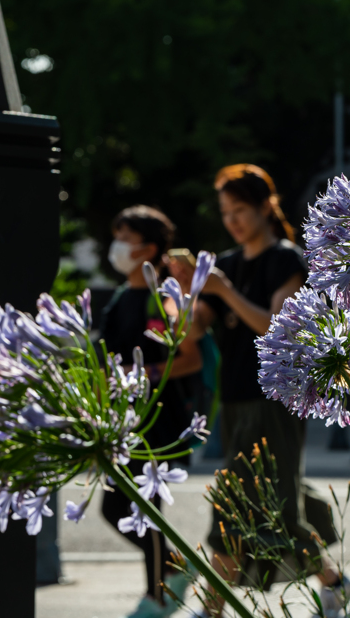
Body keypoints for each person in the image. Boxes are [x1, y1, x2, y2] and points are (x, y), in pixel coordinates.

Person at [168, 165, 350, 618]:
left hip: (276, 399)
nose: (232, 220)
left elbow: (275, 329)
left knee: (246, 500)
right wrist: (181, 293)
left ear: (265, 207)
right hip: (233, 400)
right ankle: (333, 579)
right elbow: (191, 334)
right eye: (226, 212)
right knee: (277, 499)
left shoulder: (286, 260)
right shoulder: (225, 264)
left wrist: (225, 291)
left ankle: (212, 606)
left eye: (241, 210)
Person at [98, 205, 200, 618]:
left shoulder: (162, 298)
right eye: (117, 236)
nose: (118, 246)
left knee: (146, 508)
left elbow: (188, 356)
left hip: (157, 419)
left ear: (150, 248)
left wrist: (144, 372)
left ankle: (157, 599)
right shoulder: (123, 294)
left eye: (127, 238)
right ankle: (177, 567)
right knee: (113, 507)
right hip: (123, 420)